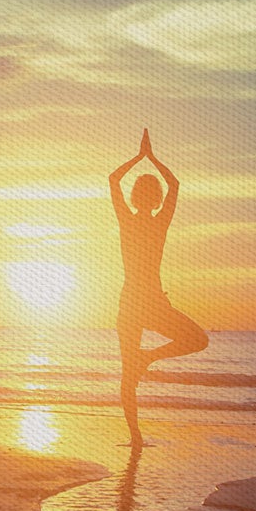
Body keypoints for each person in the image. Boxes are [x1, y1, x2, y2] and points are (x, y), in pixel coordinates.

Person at [107, 131, 207, 442]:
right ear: (154, 198)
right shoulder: (157, 221)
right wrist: (151, 158)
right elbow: (174, 185)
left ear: (139, 197)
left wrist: (140, 158)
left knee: (131, 373)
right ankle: (136, 435)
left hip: (137, 302)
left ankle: (136, 435)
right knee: (196, 340)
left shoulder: (129, 219)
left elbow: (113, 180)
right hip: (147, 302)